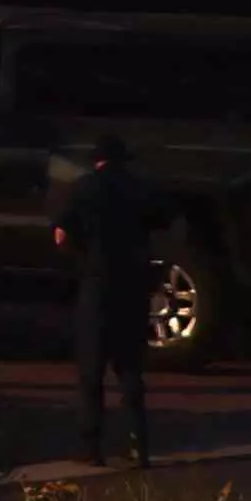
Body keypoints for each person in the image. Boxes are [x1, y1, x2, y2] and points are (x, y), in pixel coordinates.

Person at [54, 130, 159, 465]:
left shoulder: (83, 189)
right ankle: (138, 443)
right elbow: (168, 222)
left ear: (96, 160)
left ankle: (91, 446)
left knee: (91, 369)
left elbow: (61, 237)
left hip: (96, 283)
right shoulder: (140, 188)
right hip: (132, 283)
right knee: (129, 368)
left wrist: (80, 257)